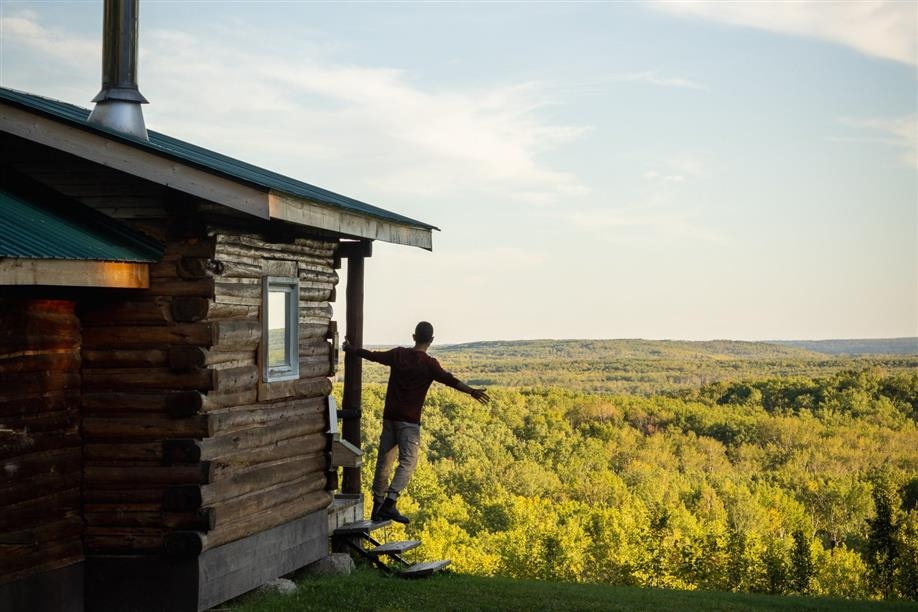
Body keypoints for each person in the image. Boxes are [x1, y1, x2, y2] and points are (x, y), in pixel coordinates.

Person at [342, 321, 490, 524]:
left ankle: (378, 506)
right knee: (408, 462)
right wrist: (472, 392)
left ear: (413, 337)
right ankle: (390, 503)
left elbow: (373, 355)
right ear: (431, 341)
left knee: (384, 462)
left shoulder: (398, 355)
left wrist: (351, 349)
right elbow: (451, 380)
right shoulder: (429, 364)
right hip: (409, 423)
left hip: (390, 418)